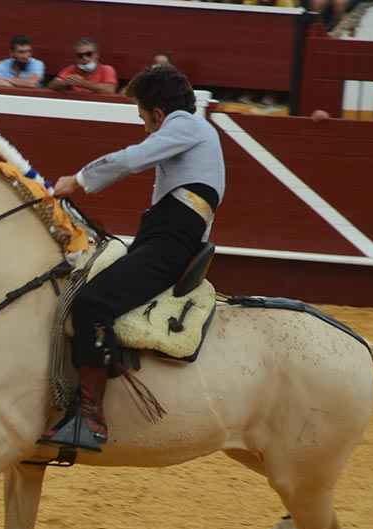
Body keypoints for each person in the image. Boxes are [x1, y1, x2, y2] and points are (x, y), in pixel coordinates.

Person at [40, 65, 225, 452]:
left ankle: (90, 418)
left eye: (143, 117)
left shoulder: (186, 127)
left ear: (158, 113)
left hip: (168, 245)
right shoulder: (193, 133)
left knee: (92, 302)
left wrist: (79, 181)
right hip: (161, 239)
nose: (144, 126)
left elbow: (131, 159)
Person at [48, 37, 117, 94]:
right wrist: (65, 83)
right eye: (80, 55)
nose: (85, 58)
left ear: (97, 55)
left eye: (89, 54)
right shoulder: (71, 69)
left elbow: (110, 90)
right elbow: (52, 85)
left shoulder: (106, 69)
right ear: (76, 58)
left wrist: (83, 83)